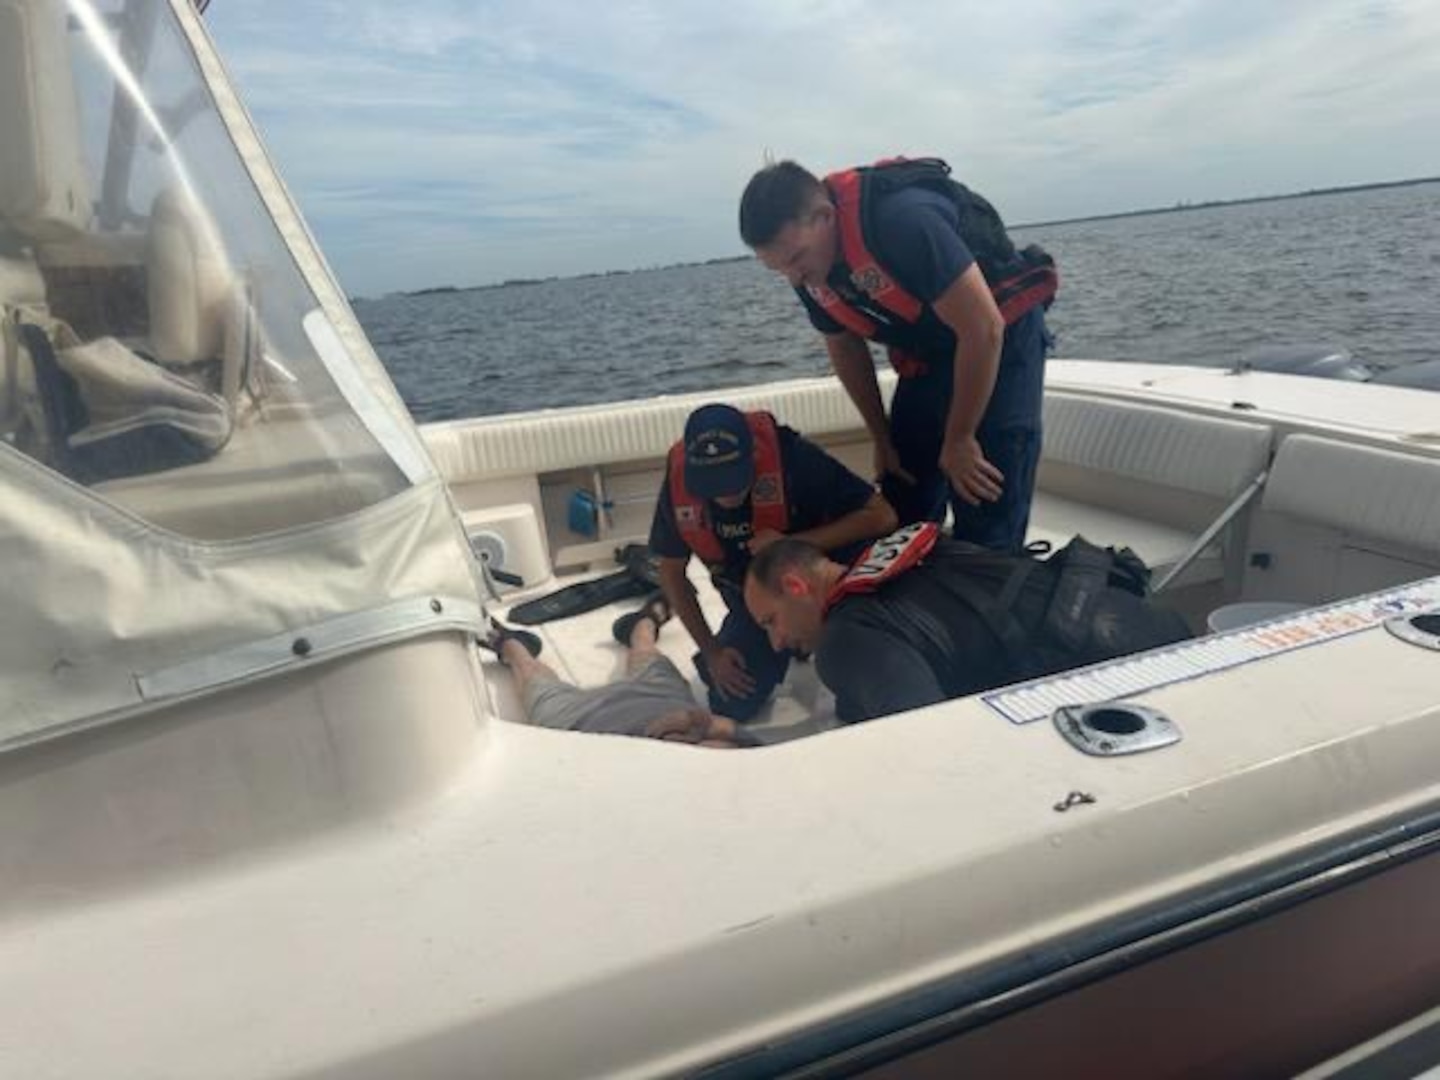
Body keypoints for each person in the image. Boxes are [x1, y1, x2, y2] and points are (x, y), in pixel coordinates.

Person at [739, 157, 1057, 550]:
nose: (793, 278)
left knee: (983, 498)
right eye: (779, 270)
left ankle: (990, 576)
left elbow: (983, 328)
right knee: (901, 491)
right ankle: (915, 601)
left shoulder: (904, 221)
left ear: (825, 217)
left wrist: (959, 438)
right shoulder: (809, 268)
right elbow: (844, 346)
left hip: (999, 334)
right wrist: (881, 437)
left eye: (795, 260)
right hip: (933, 347)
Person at [743, 524, 1192, 725]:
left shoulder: (843, 642)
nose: (778, 641)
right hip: (1164, 631)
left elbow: (931, 740)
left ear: (796, 586)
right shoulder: (902, 555)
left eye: (771, 621)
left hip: (1130, 685)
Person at [649, 402, 897, 721]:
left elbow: (882, 516)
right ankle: (783, 642)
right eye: (712, 486)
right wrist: (712, 652)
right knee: (731, 701)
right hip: (757, 607)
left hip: (822, 596)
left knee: (864, 700)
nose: (725, 495)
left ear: (753, 454)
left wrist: (795, 544)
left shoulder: (795, 459)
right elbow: (671, 572)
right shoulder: (678, 482)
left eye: (733, 480)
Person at [483, 600, 757, 748]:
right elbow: (756, 750)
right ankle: (646, 620)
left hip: (578, 725)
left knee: (532, 676)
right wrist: (710, 725)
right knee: (646, 653)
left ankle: (508, 642)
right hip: (664, 704)